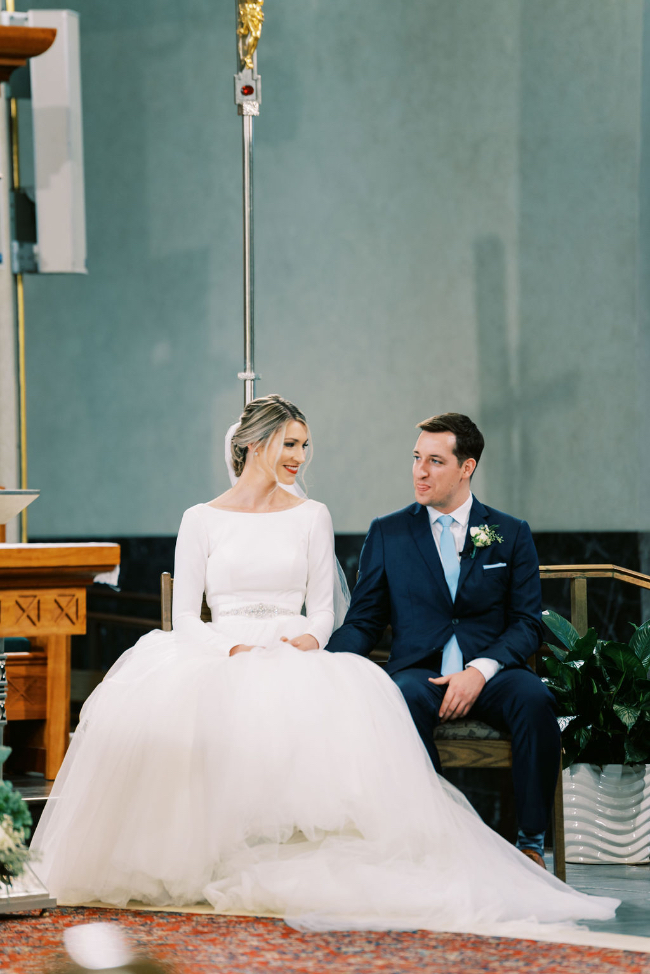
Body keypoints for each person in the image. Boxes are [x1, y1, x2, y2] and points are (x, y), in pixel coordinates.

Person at [32, 395, 617, 936]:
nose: (300, 456)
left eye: (304, 445)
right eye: (290, 444)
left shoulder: (332, 517)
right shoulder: (207, 520)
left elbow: (327, 613)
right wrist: (243, 653)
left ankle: (523, 842)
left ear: (466, 468)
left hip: (351, 654)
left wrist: (311, 651)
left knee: (521, 699)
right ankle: (226, 850)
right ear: (255, 444)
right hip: (233, 652)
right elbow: (202, 616)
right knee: (378, 699)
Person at [327, 412, 558, 867]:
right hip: (419, 672)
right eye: (416, 458)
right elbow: (365, 621)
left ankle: (531, 843)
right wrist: (322, 660)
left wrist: (480, 671)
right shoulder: (388, 533)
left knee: (535, 699)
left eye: (435, 461)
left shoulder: (511, 533)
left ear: (466, 467)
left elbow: (527, 623)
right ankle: (431, 840)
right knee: (399, 698)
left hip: (493, 673)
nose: (420, 471)